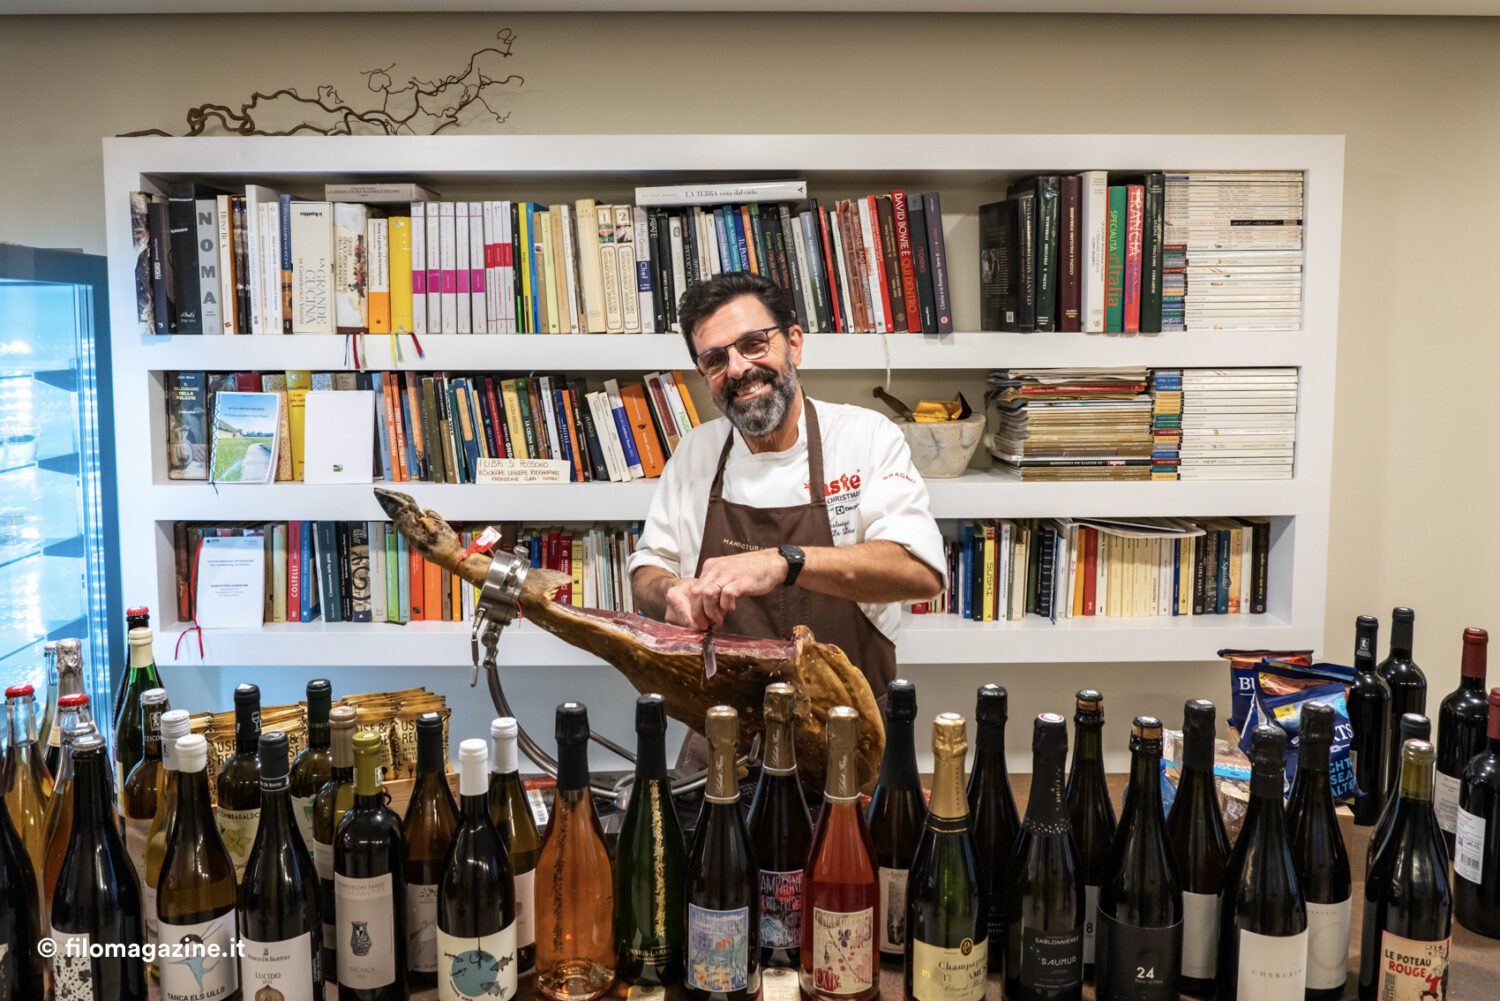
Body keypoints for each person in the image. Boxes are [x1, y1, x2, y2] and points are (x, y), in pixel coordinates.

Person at [627, 272, 947, 765]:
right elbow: (647, 570)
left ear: (794, 342)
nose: (738, 368)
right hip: (725, 737)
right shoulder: (695, 453)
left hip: (849, 736)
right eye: (716, 359)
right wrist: (670, 592)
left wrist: (784, 561)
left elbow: (919, 572)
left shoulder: (865, 438)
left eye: (753, 344)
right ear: (703, 373)